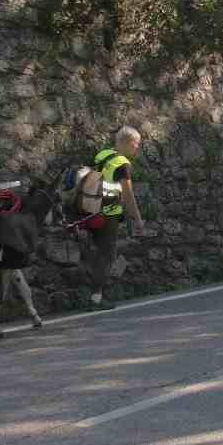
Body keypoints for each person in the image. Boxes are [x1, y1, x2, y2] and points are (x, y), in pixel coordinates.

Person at [88, 125, 146, 310]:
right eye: (137, 144)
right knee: (107, 254)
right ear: (128, 142)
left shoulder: (103, 155)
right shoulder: (121, 163)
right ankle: (96, 298)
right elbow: (128, 196)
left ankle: (99, 291)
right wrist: (137, 219)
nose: (137, 148)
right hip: (109, 215)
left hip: (92, 210)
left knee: (101, 252)